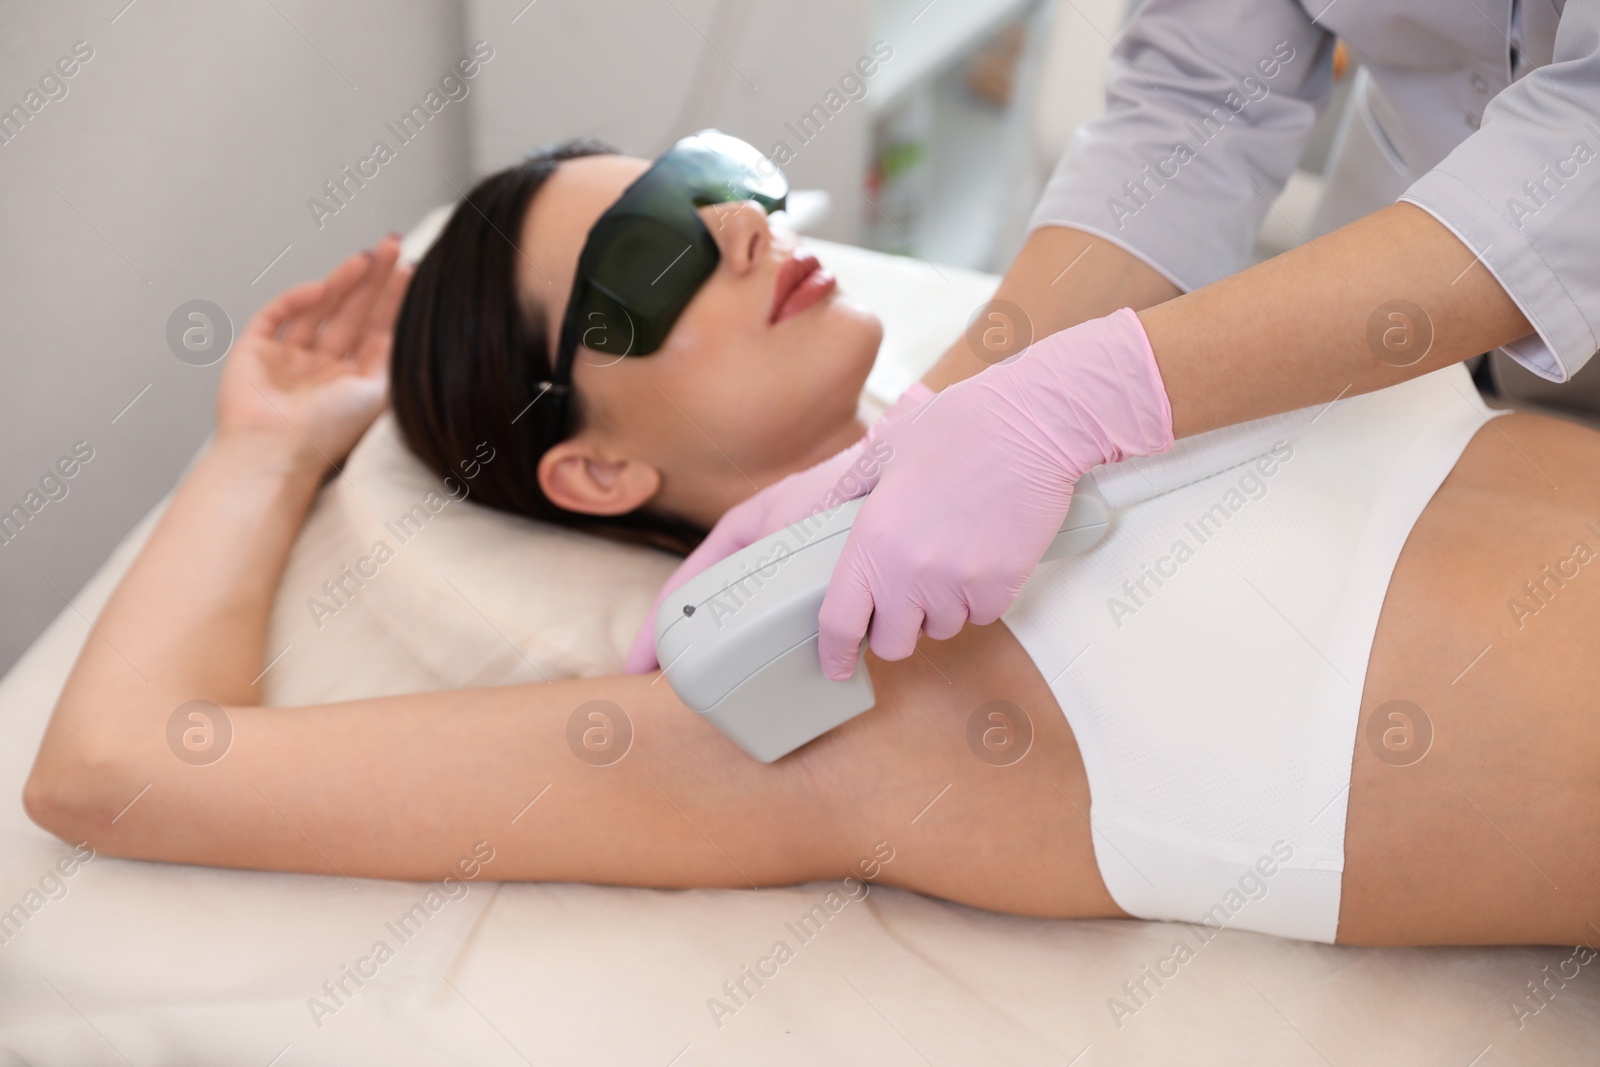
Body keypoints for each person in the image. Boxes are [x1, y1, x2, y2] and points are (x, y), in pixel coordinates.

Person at [24, 141, 1600, 945]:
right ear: (592, 470)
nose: (741, 231)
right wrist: (267, 446)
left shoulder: (1074, 378)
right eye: (649, 257)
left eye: (715, 181)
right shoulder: (807, 686)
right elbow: (121, 768)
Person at [639, 0, 1600, 681]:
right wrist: (948, 411)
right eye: (637, 256)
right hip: (1392, 267)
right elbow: (1200, 100)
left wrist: (1079, 398)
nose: (740, 228)